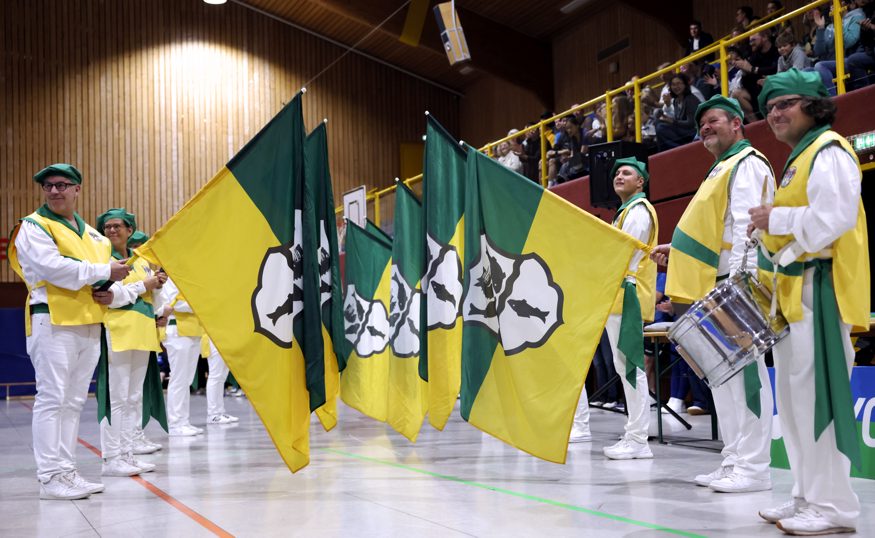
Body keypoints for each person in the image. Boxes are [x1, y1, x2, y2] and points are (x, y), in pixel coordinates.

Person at [750, 68, 867, 535]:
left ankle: (835, 507)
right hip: (795, 293)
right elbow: (798, 226)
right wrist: (766, 230)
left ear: (813, 106)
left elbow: (833, 219)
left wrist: (775, 217)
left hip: (821, 289)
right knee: (796, 404)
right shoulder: (800, 158)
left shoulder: (831, 150)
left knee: (818, 400)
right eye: (770, 108)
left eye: (786, 104)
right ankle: (806, 496)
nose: (775, 114)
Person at [651, 95, 775, 493]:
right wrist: (677, 249)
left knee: (747, 379)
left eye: (714, 120)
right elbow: (714, 231)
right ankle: (733, 459)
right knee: (724, 381)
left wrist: (741, 284)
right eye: (701, 123)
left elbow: (746, 228)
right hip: (714, 284)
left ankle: (754, 469)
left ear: (737, 124)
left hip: (735, 285)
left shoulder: (747, 162)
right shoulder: (720, 169)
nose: (705, 127)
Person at [8, 164, 131, 499]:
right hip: (53, 320)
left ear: (78, 189)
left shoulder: (94, 236)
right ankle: (50, 476)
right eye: (48, 186)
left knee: (74, 401)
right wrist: (104, 271)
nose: (54, 191)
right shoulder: (34, 226)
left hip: (89, 320)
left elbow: (108, 282)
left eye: (63, 185)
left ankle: (67, 470)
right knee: (52, 399)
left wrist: (112, 290)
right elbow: (52, 268)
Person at [96, 208, 165, 476]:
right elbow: (112, 296)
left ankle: (127, 453)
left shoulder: (141, 261)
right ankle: (111, 457)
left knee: (134, 397)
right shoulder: (103, 259)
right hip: (118, 329)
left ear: (129, 230)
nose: (112, 231)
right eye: (107, 227)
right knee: (117, 396)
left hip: (144, 330)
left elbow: (153, 302)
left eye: (117, 226)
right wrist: (143, 286)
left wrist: (156, 285)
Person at [602, 157, 658, 460]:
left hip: (628, 294)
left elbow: (621, 253)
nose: (619, 176)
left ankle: (638, 439)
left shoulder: (637, 211)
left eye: (627, 173)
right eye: (617, 173)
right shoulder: (624, 212)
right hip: (618, 293)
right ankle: (634, 435)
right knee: (625, 366)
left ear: (641, 182)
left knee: (631, 364)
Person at [160, 278, 206, 437]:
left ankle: (183, 421)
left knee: (186, 379)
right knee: (179, 379)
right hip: (177, 330)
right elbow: (173, 302)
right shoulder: (171, 277)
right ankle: (175, 423)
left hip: (193, 329)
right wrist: (200, 304)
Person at [656, 74, 700, 151]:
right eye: (673, 85)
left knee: (661, 128)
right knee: (659, 123)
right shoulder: (676, 100)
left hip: (692, 132)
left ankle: (679, 150)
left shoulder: (690, 99)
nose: (676, 87)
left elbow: (691, 123)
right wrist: (668, 119)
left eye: (679, 83)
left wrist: (673, 121)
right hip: (683, 130)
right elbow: (677, 120)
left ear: (685, 85)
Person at [205, 339, 239, 425]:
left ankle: (220, 412)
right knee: (215, 376)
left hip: (225, 337)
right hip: (213, 338)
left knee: (221, 378)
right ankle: (212, 414)